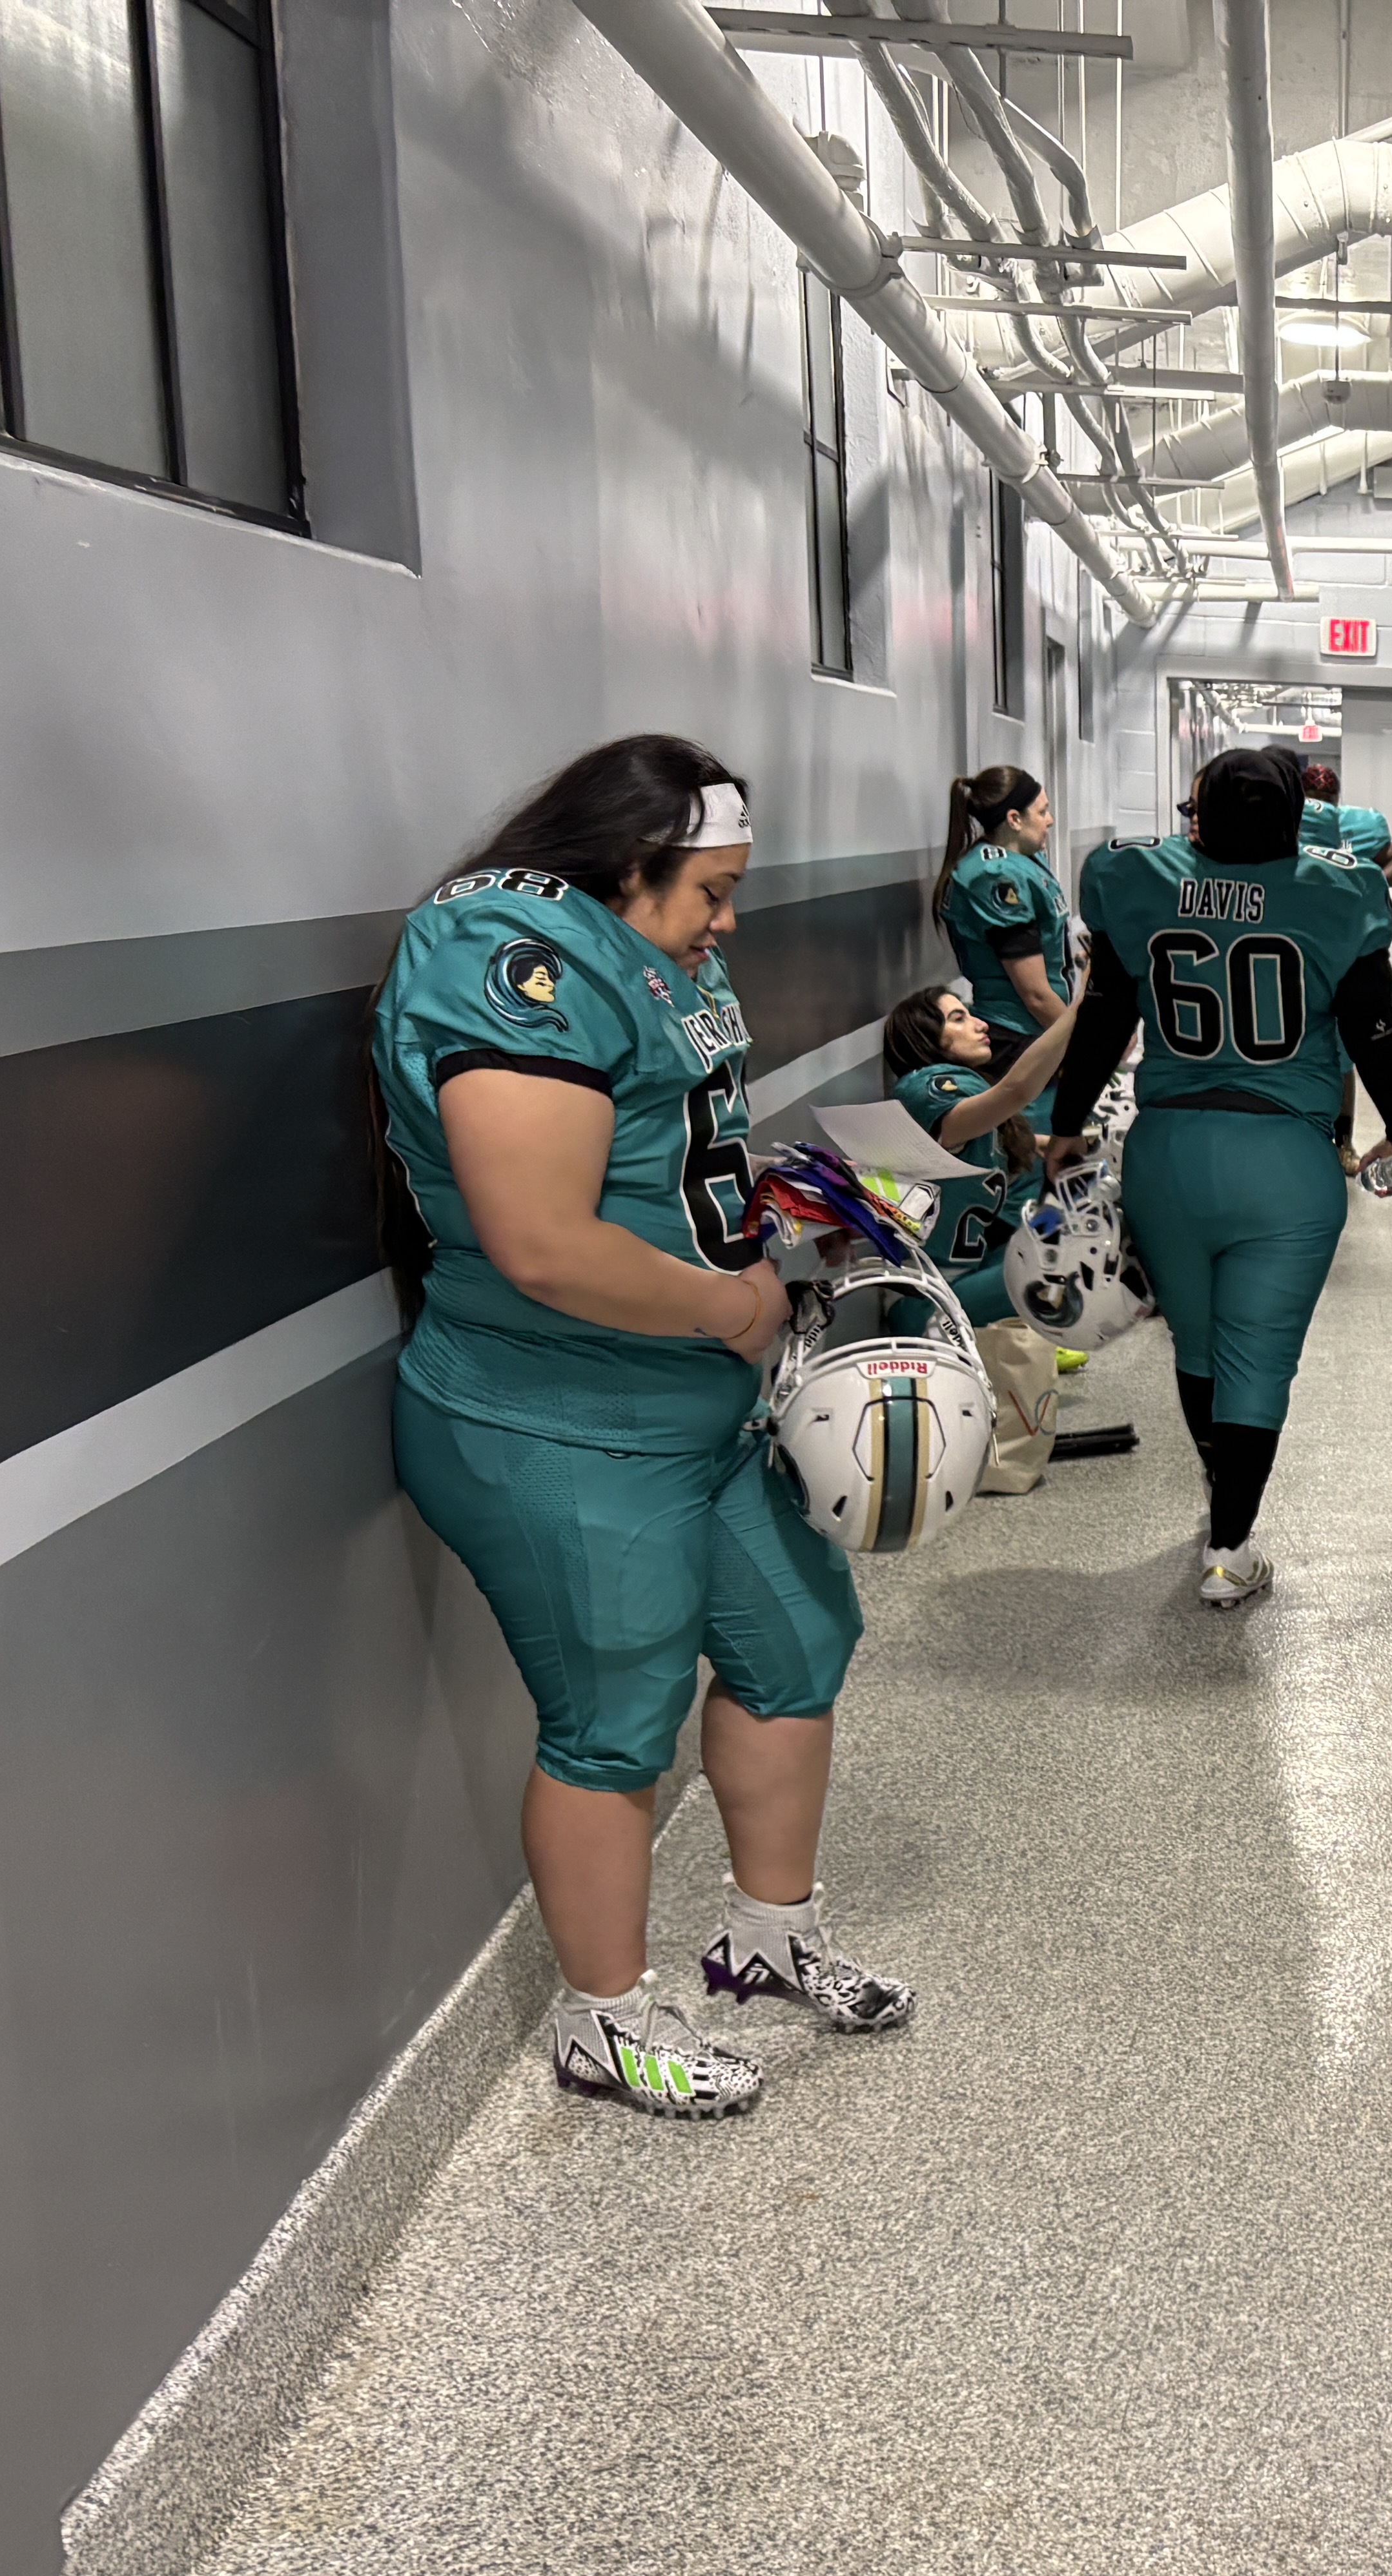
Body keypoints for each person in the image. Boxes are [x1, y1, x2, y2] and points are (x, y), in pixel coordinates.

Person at [371, 736, 912, 2121]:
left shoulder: (647, 943)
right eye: (709, 892)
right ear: (620, 865)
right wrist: (732, 1314)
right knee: (614, 1724)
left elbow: (663, 1148)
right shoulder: (508, 956)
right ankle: (601, 2024)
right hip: (559, 1413)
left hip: (695, 1402)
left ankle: (765, 1936)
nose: (728, 919)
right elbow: (545, 1241)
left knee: (799, 1646)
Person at [1041, 744, 1392, 1606]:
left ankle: (1223, 1509)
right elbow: (1372, 1026)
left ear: (1200, 814)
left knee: (1200, 1342)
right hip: (1284, 1155)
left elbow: (1105, 1013)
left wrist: (1067, 1125)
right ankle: (1229, 1543)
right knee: (1260, 1357)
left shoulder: (1138, 877)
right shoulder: (1338, 888)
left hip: (1168, 1151)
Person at [881, 984, 1073, 1323]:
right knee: (1061, 1256)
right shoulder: (928, 1089)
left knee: (1059, 1224)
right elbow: (1016, 1091)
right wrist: (1079, 1011)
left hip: (966, 1274)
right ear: (926, 1038)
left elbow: (1002, 1139)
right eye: (959, 1019)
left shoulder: (962, 1086)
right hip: (930, 1297)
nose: (980, 1024)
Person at [937, 764, 1072, 1049]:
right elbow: (1034, 993)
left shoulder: (1024, 859)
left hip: (1044, 1029)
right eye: (1042, 812)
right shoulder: (996, 876)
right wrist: (1083, 1046)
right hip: (1019, 1034)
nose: (1050, 821)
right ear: (1014, 820)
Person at [1299, 756, 1392, 885]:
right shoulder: (1288, 824)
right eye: (1314, 801)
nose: (1322, 808)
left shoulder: (1359, 824)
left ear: (1336, 799)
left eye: (1327, 800)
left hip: (1345, 901)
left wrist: (1370, 888)